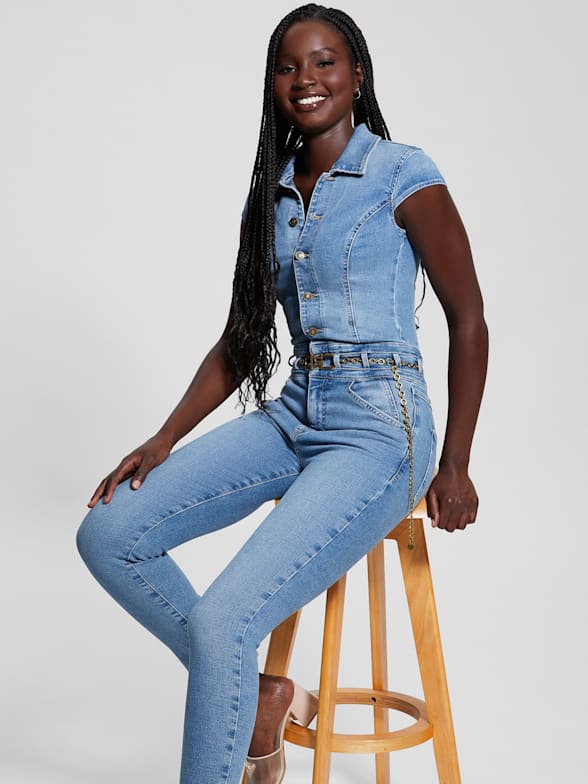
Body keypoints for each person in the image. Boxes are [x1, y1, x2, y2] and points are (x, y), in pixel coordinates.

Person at [76, 4, 488, 783]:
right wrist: (163, 438)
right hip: (297, 410)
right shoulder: (270, 196)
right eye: (289, 67)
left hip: (381, 428)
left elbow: (469, 319)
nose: (307, 79)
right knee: (108, 532)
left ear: (357, 74)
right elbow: (242, 339)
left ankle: (235, 689)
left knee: (226, 618)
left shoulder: (403, 173)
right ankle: (263, 694)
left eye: (325, 61)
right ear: (272, 84)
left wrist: (457, 461)